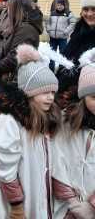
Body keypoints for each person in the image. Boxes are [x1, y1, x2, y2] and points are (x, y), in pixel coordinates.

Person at [0, 44, 61, 218]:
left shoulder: (45, 117)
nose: (51, 97)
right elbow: (4, 167)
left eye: (53, 92)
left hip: (37, 193)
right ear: (29, 93)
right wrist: (16, 204)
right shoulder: (10, 121)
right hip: (17, 199)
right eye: (44, 92)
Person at [52, 48, 95, 219]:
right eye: (93, 97)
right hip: (66, 207)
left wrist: (91, 206)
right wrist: (72, 203)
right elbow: (56, 161)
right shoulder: (67, 123)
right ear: (83, 97)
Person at [57, 0, 95, 109]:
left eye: (94, 9)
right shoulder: (78, 30)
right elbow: (67, 58)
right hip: (65, 90)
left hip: (87, 96)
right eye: (86, 9)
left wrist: (76, 89)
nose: (89, 14)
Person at [0, 0, 43, 82]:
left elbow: (15, 57)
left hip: (17, 81)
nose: (8, 12)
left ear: (17, 10)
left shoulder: (26, 29)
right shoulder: (21, 26)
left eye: (10, 8)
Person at [46, 0, 76, 71]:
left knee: (63, 54)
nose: (59, 7)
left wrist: (66, 31)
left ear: (64, 5)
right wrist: (48, 29)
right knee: (52, 54)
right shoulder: (53, 13)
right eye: (58, 5)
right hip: (52, 38)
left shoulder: (68, 13)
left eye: (60, 5)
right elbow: (48, 22)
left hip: (62, 38)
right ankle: (51, 69)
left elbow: (73, 23)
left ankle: (61, 70)